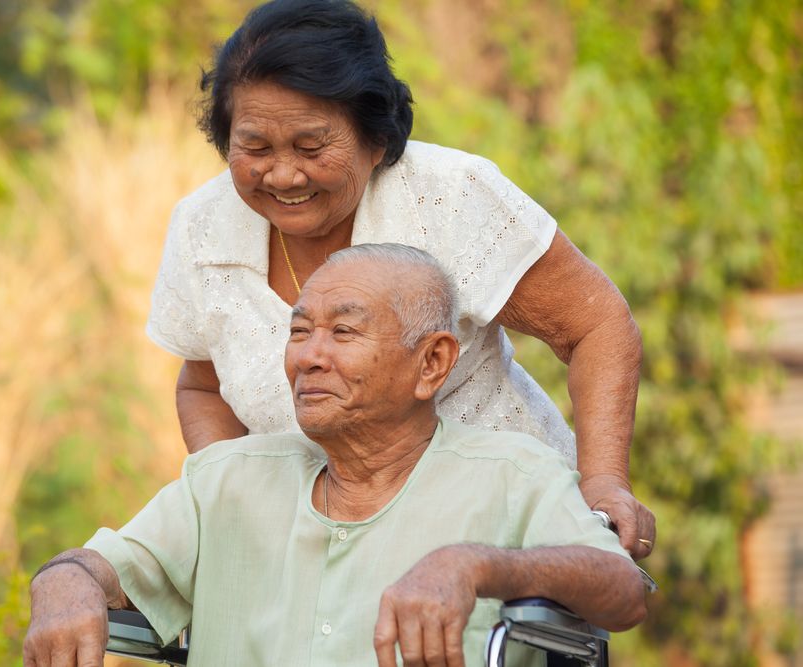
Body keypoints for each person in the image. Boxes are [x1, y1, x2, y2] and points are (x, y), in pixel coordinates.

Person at [146, 0, 655, 559]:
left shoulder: (448, 196)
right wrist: (233, 508)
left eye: (312, 148)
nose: (284, 174)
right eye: (255, 147)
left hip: (507, 541)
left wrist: (604, 482)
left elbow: (595, 323)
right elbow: (203, 385)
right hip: (319, 560)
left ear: (378, 138)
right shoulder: (202, 228)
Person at [24, 245, 647, 667]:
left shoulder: (513, 476)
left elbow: (624, 593)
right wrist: (65, 581)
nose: (309, 356)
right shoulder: (226, 480)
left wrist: (480, 566)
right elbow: (99, 566)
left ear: (431, 363)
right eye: (299, 331)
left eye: (343, 332)